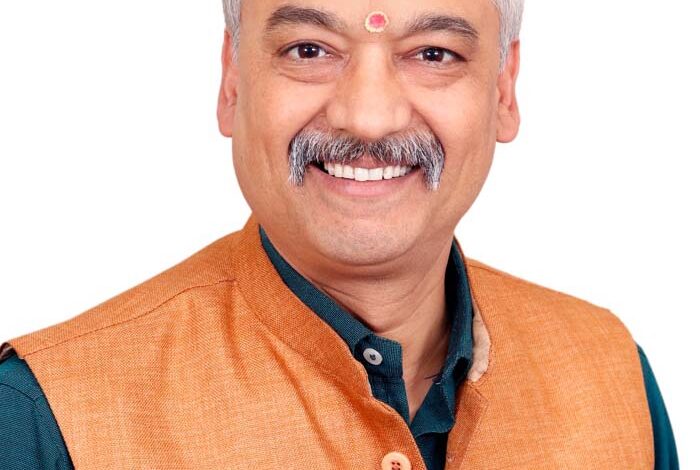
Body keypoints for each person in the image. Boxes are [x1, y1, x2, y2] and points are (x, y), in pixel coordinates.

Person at [0, 0, 678, 469]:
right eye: (310, 50)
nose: (369, 117)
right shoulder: (44, 416)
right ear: (232, 82)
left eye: (434, 53)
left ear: (504, 90)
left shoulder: (610, 377)